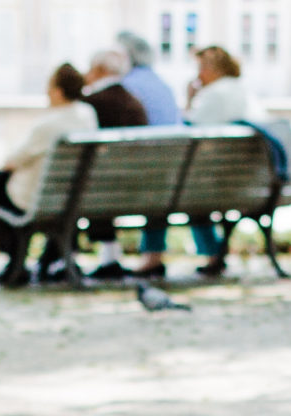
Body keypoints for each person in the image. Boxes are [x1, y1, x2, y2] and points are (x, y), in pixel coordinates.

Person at [0, 64, 98, 286]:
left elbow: (12, 162)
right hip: (69, 198)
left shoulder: (48, 125)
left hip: (32, 199)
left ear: (58, 91)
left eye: (49, 87)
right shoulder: (87, 116)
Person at [40, 50, 148, 281]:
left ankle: (59, 260)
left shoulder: (90, 106)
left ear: (99, 71)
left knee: (71, 190)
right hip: (138, 188)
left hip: (100, 189)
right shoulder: (135, 102)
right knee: (94, 186)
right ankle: (108, 258)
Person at [171, 45, 268, 278]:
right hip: (252, 183)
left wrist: (189, 100)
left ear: (211, 69)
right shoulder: (245, 92)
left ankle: (213, 254)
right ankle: (216, 255)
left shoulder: (212, 94)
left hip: (218, 184)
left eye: (200, 68)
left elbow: (189, 131)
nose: (197, 75)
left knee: (192, 195)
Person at [115, 31, 183, 278]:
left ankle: (110, 257)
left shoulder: (127, 86)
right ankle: (154, 256)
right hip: (175, 172)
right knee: (160, 185)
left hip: (146, 172)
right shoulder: (163, 84)